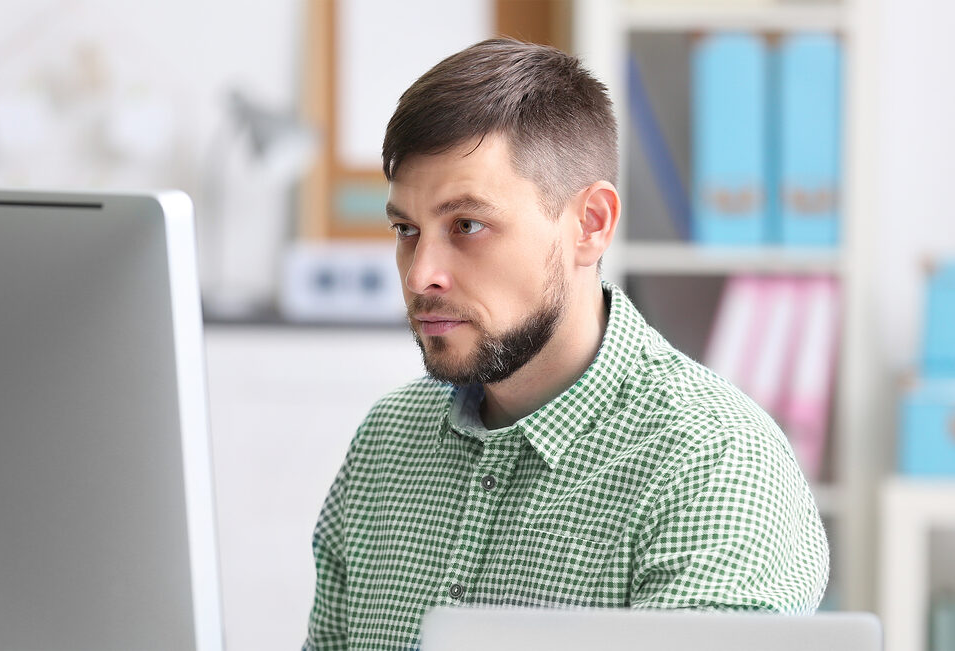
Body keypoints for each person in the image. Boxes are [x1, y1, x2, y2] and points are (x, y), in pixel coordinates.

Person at [305, 38, 828, 650]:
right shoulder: (385, 444)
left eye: (467, 226)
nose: (421, 275)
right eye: (406, 230)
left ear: (592, 224)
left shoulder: (713, 464)